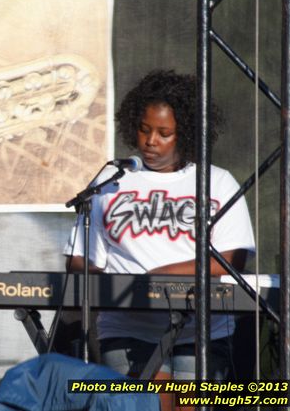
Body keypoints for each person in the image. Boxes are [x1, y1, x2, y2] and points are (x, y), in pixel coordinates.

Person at [63, 70, 255, 411]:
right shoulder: (110, 181)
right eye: (144, 129)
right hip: (126, 328)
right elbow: (80, 258)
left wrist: (158, 275)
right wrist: (115, 288)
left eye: (165, 133)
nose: (151, 141)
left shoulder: (217, 182)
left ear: (187, 135)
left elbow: (231, 259)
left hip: (203, 330)